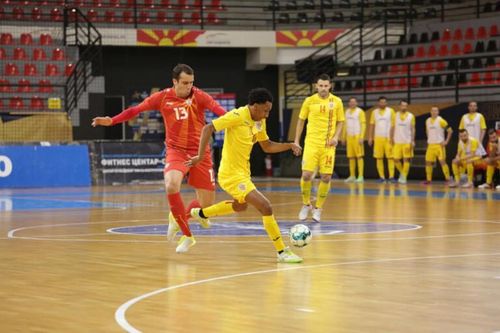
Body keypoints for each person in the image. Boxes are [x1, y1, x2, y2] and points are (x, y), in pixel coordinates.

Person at [92, 64, 226, 253]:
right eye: (185, 83)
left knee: (206, 203)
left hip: (200, 152)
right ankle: (188, 236)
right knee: (171, 185)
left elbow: (222, 112)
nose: (189, 87)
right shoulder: (162, 97)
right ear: (175, 82)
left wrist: (238, 120)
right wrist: (112, 120)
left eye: (191, 83)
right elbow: (135, 110)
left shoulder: (200, 96)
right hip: (176, 150)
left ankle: (178, 218)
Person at [187, 88, 304, 263]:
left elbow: (267, 146)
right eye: (265, 110)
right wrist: (201, 156)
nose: (267, 114)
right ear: (255, 106)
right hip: (230, 175)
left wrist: (289, 145)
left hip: (243, 173)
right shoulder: (237, 116)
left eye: (269, 111)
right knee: (266, 206)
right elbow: (208, 128)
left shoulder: (259, 121)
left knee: (240, 206)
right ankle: (282, 252)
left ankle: (201, 214)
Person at [293, 74, 344, 222]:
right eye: (320, 86)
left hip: (328, 145)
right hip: (311, 144)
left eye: (326, 86)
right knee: (307, 175)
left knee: (326, 177)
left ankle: (318, 208)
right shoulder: (309, 101)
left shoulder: (337, 101)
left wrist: (336, 137)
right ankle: (306, 204)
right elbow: (301, 121)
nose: (323, 88)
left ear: (330, 86)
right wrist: (296, 141)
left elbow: (340, 121)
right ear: (316, 86)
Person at [368, 96, 396, 183]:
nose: (383, 103)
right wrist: (370, 137)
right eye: (381, 102)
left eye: (384, 102)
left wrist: (392, 137)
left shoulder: (391, 111)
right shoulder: (374, 112)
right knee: (379, 158)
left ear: (386, 103)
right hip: (378, 138)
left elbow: (393, 125)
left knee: (390, 158)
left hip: (388, 138)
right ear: (378, 103)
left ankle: (391, 177)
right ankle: (382, 177)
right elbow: (372, 125)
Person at [423, 106, 452, 185]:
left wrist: (446, 141)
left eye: (436, 111)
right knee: (428, 162)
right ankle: (428, 180)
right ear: (430, 112)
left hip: (439, 145)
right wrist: (429, 139)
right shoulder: (427, 121)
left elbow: (450, 131)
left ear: (438, 112)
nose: (434, 112)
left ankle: (448, 179)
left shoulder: (441, 120)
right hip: (431, 145)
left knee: (442, 162)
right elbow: (427, 131)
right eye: (432, 110)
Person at [341, 97, 366, 183]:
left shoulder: (360, 112)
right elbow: (344, 126)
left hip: (357, 136)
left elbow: (363, 125)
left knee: (359, 156)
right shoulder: (346, 112)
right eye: (350, 102)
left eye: (354, 102)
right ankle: (352, 176)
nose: (352, 103)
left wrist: (362, 136)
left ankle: (360, 176)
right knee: (351, 157)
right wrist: (343, 137)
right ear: (349, 103)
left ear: (357, 103)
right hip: (349, 137)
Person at [391, 100, 415, 184]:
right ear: (399, 106)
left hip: (407, 141)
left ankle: (404, 177)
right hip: (397, 141)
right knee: (395, 159)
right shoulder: (395, 115)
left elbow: (412, 129)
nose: (404, 107)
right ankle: (402, 173)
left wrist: (412, 140)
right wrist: (391, 138)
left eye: (405, 106)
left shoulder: (411, 116)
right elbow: (392, 127)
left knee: (406, 160)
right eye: (402, 105)